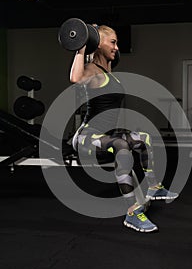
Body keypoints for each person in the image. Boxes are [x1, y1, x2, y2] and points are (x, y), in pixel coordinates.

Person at [70, 24, 178, 233]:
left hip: (106, 135)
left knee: (143, 138)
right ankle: (132, 211)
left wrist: (92, 32)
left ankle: (154, 188)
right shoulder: (91, 69)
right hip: (86, 137)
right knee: (121, 145)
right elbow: (75, 78)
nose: (117, 47)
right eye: (113, 42)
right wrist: (81, 46)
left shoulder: (109, 72)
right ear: (99, 44)